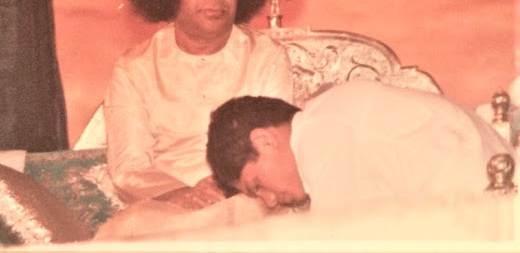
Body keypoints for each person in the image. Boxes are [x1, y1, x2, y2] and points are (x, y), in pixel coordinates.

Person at [77, 0, 294, 210]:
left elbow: (275, 153)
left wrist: (227, 191)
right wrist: (181, 195)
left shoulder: (266, 56)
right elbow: (129, 169)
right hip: (165, 210)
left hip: (249, 204)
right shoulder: (134, 68)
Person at [207, 79, 517, 213]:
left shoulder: (319, 132)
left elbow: (336, 241)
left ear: (263, 140)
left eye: (258, 186)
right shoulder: (329, 114)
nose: (270, 201)